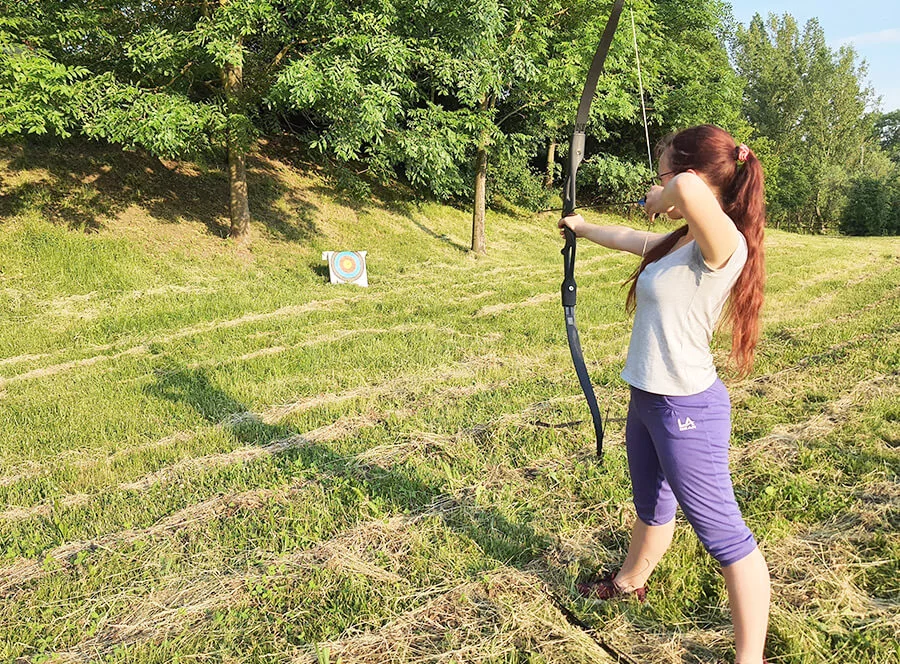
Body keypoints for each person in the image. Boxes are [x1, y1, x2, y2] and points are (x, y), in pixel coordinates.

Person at [557, 124, 770, 664]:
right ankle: (630, 582)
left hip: (686, 408)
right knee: (652, 505)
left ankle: (750, 658)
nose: (659, 185)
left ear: (691, 176)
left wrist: (666, 192)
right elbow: (632, 240)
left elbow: (691, 193)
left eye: (663, 172)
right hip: (648, 398)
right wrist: (581, 227)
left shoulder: (725, 244)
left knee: (725, 537)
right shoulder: (683, 242)